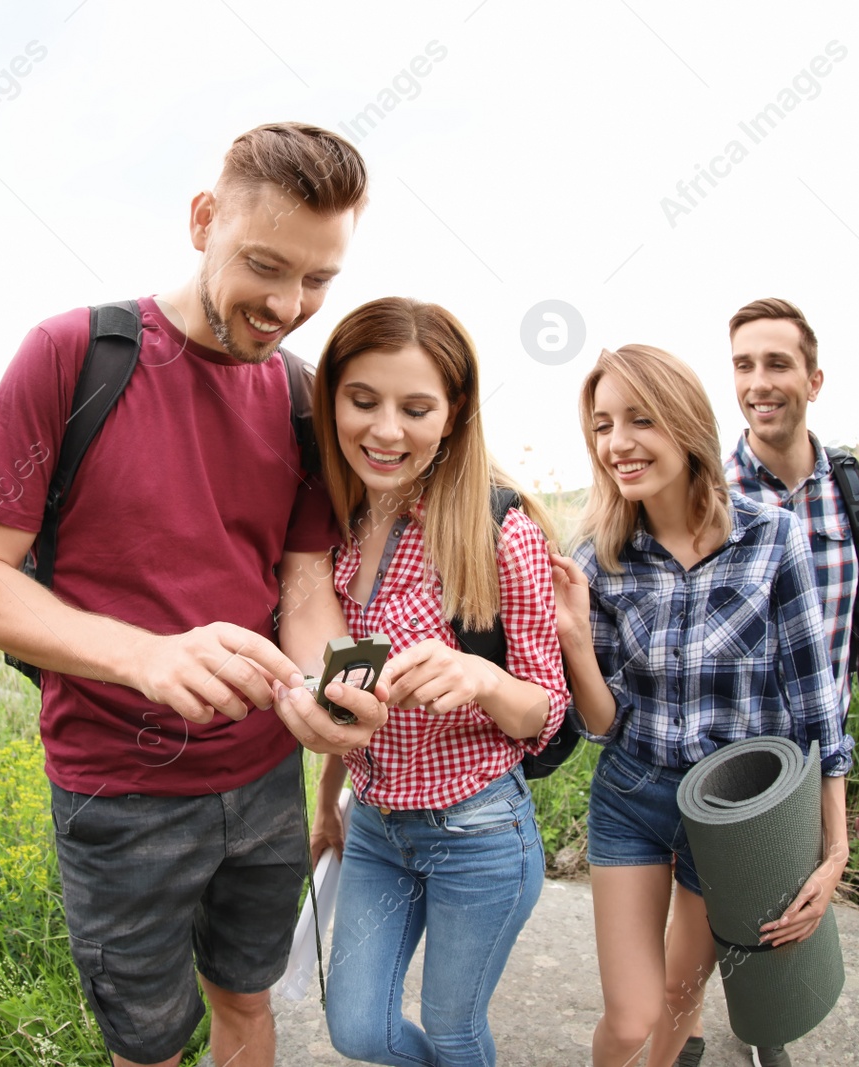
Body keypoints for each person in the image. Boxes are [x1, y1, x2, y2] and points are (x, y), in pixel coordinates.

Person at [0, 123, 388, 1067]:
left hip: (266, 781)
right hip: (119, 792)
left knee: (249, 1004)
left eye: (317, 280)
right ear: (202, 220)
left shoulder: (307, 399)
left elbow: (306, 591)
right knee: (147, 1048)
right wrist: (145, 655)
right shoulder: (73, 356)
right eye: (265, 264)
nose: (285, 305)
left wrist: (336, 688)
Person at [548, 344, 851, 1067]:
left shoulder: (773, 539)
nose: (618, 443)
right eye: (602, 425)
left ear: (685, 423)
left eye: (640, 419)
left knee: (682, 1002)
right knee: (631, 1018)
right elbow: (602, 723)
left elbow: (817, 706)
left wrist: (831, 847)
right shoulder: (596, 556)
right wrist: (576, 646)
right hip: (633, 797)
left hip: (732, 814)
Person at [301, 297, 570, 1067]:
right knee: (357, 1027)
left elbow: (544, 715)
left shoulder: (498, 530)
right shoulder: (335, 528)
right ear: (333, 403)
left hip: (479, 833)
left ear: (451, 416)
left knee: (454, 1031)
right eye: (363, 400)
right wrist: (327, 803)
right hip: (377, 830)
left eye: (416, 408)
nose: (387, 430)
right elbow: (342, 685)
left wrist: (479, 674)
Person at [669, 299, 859, 1067]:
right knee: (703, 926)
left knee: (786, 916)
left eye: (776, 363)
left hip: (812, 762)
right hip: (725, 762)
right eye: (743, 364)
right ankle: (687, 1037)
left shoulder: (852, 493)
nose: (758, 382)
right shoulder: (709, 492)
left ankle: (765, 1035)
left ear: (814, 378)